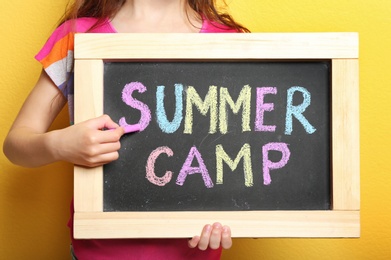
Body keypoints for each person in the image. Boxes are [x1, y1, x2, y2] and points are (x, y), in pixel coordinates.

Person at [3, 0, 249, 259]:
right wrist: (60, 144)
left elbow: (253, 176)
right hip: (96, 254)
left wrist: (233, 216)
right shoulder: (77, 37)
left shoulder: (230, 43)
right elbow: (16, 144)